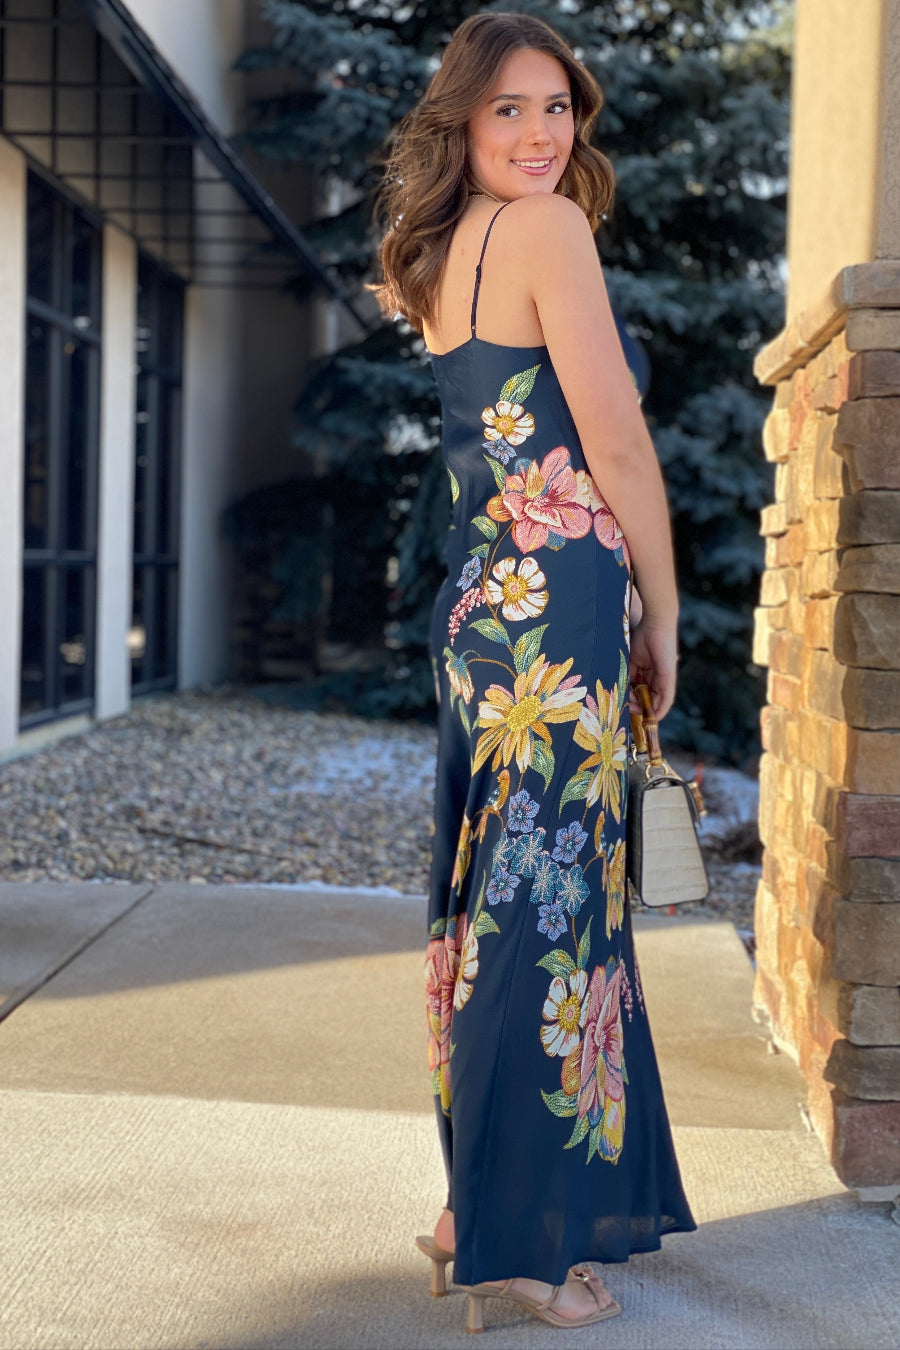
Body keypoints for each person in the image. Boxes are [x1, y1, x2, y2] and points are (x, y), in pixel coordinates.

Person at [374, 10, 697, 1334]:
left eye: (557, 107)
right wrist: (663, 604)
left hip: (481, 609)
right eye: (508, 108)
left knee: (497, 909)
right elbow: (612, 441)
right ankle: (515, 1241)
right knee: (546, 914)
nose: (542, 133)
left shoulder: (443, 250)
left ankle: (475, 1213)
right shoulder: (548, 230)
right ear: (461, 117)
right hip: (554, 613)